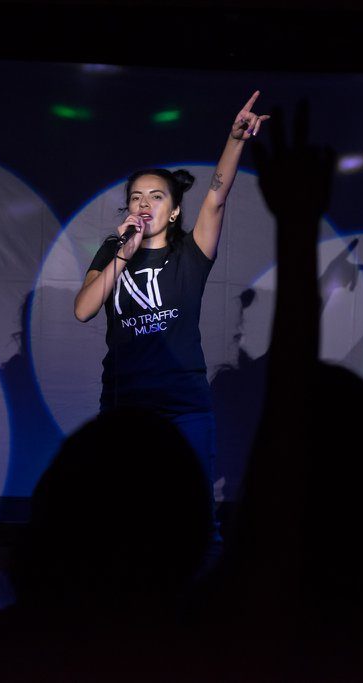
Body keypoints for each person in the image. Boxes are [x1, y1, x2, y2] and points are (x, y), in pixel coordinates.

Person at [73, 91, 269, 485]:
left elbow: (216, 196)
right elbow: (83, 310)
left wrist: (234, 141)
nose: (145, 204)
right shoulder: (114, 250)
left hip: (184, 405)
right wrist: (124, 253)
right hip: (125, 403)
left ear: (175, 209)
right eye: (137, 197)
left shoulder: (190, 253)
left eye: (156, 196)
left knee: (193, 513)